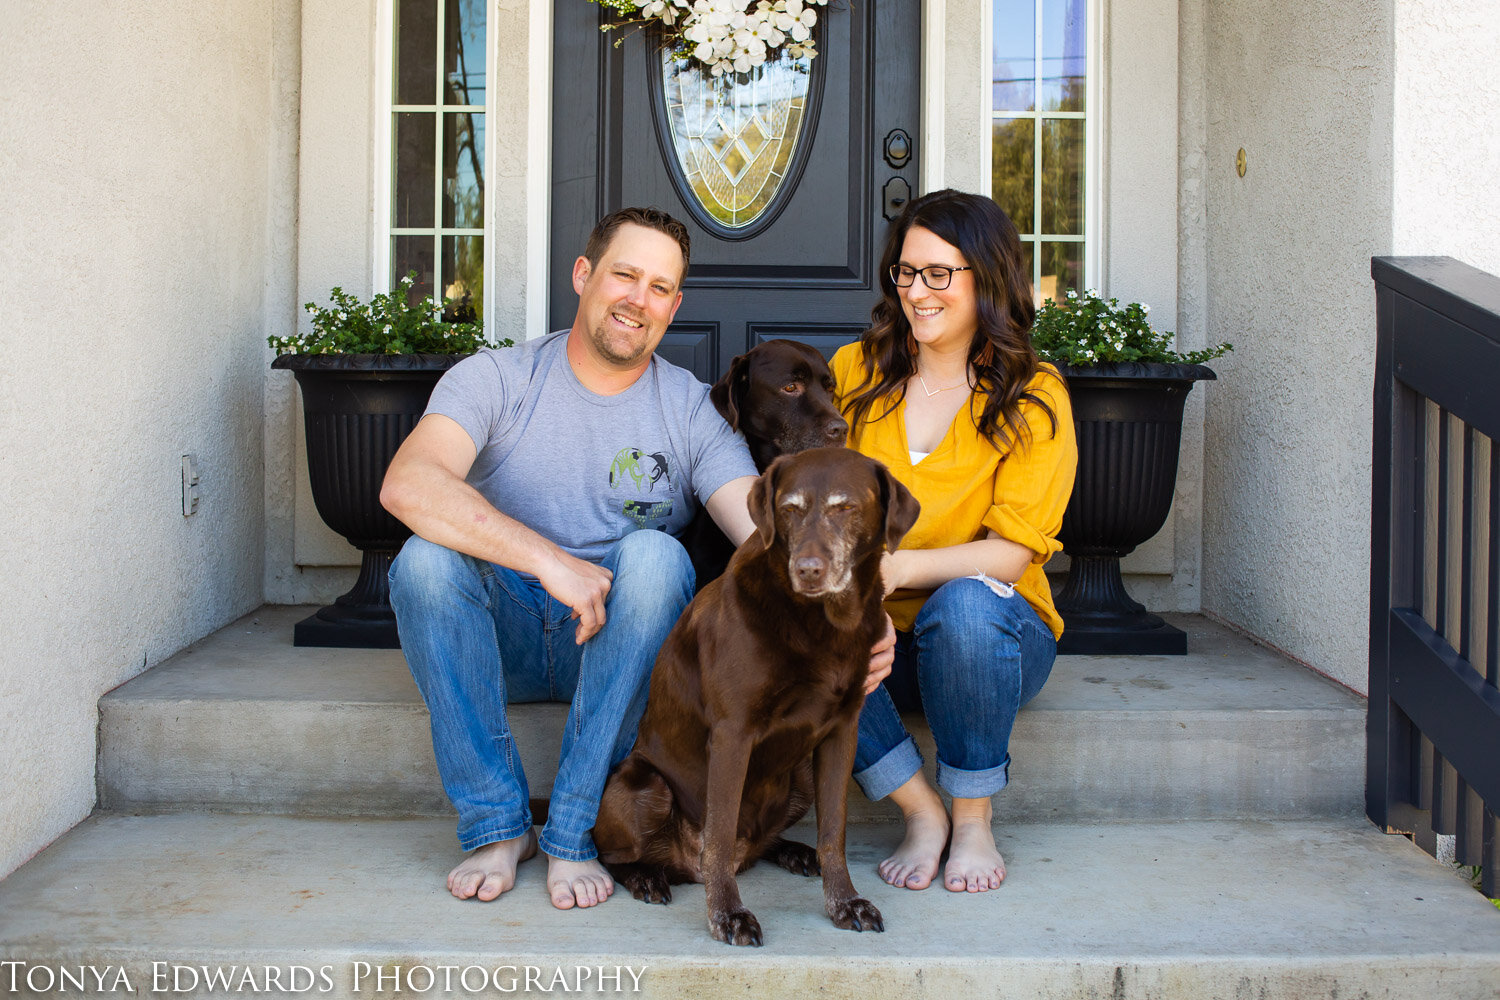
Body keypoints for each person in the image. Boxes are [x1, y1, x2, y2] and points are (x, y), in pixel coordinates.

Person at [380, 208, 765, 910]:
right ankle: (496, 824)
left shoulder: (688, 408)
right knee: (421, 564)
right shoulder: (498, 378)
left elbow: (758, 528)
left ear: (674, 307)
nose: (637, 300)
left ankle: (575, 826)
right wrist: (547, 560)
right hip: (507, 636)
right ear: (584, 275)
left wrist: (850, 605)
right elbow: (407, 483)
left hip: (622, 648)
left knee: (655, 558)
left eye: (659, 288)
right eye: (625, 274)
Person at [830, 188, 1078, 894]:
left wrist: (896, 571)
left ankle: (972, 818)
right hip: (878, 637)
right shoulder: (855, 373)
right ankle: (920, 812)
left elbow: (1013, 553)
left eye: (939, 273)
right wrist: (860, 604)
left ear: (988, 277)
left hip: (992, 640)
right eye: (906, 273)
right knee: (807, 615)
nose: (917, 291)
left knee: (968, 602)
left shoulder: (1033, 394)